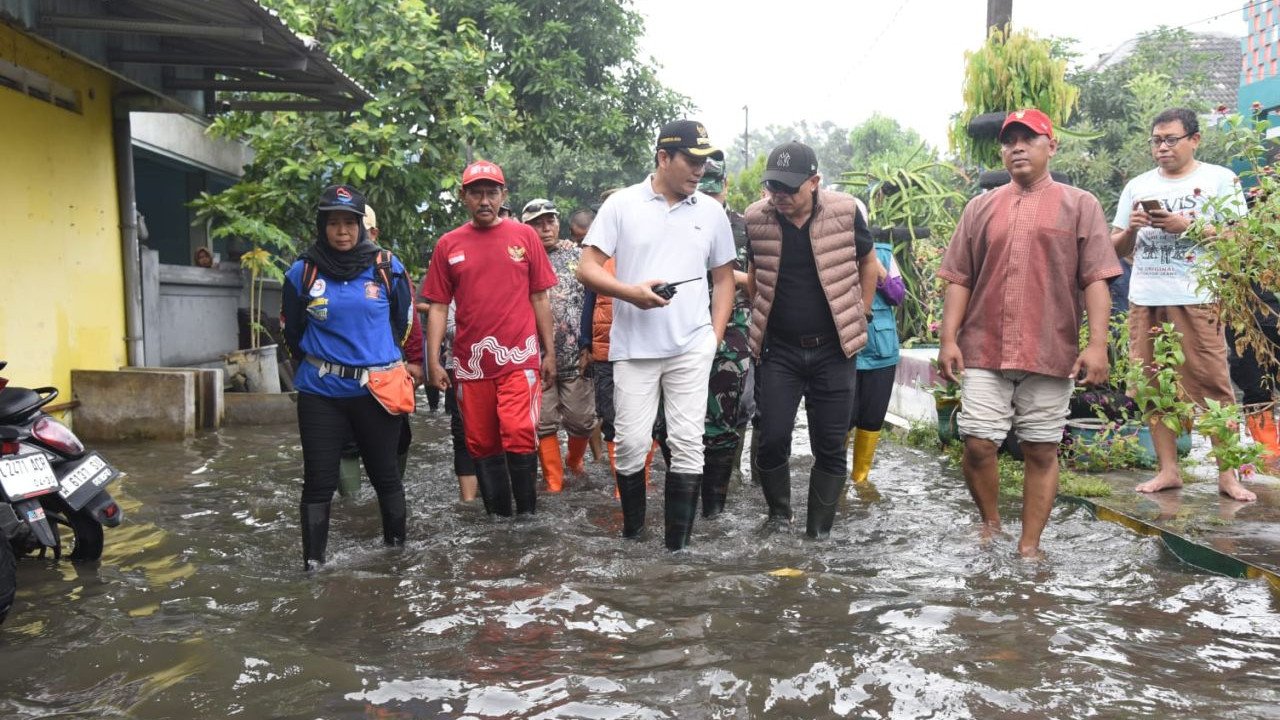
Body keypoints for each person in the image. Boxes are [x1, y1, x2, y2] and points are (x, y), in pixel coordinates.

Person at [938, 109, 1121, 558]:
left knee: (1041, 450)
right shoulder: (980, 208)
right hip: (984, 347)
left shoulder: (1080, 205)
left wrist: (1097, 346)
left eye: (1028, 138)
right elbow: (959, 277)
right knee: (979, 442)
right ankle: (991, 522)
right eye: (1009, 141)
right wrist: (948, 339)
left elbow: (1096, 278)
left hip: (1049, 346)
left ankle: (1029, 545)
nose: (1016, 147)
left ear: (1051, 146)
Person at [577, 120, 736, 550]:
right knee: (630, 444)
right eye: (691, 160)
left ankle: (676, 552)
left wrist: (713, 337)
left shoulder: (711, 212)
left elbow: (723, 279)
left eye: (704, 161)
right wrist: (631, 293)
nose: (700, 170)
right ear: (663, 158)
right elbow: (586, 267)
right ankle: (633, 537)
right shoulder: (623, 205)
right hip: (634, 349)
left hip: (691, 347)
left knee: (687, 443)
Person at [1111, 107, 1256, 502]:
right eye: (1156, 140)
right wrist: (1131, 230)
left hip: (1198, 297)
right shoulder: (1138, 186)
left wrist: (1187, 226)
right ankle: (1168, 470)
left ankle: (1227, 477)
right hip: (1146, 299)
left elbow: (1240, 240)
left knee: (1212, 385)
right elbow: (1116, 250)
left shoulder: (1219, 179)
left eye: (1171, 139)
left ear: (1194, 139)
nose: (1162, 147)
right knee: (1152, 386)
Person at [745, 141, 878, 539]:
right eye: (773, 188)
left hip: (834, 350)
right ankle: (778, 516)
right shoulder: (756, 218)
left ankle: (818, 532)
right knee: (771, 438)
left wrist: (863, 312)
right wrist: (762, 314)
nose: (780, 197)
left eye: (790, 188)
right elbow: (754, 273)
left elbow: (868, 262)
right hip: (780, 349)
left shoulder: (845, 211)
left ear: (815, 182)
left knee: (830, 443)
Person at [280, 184, 415, 570]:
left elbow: (402, 324)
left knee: (385, 476)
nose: (342, 231)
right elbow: (292, 331)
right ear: (322, 226)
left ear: (361, 226)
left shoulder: (388, 267)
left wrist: (376, 360)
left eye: (349, 223)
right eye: (334, 223)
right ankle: (313, 565)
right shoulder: (302, 272)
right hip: (320, 392)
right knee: (319, 481)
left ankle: (395, 557)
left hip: (376, 390)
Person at [420, 161, 557, 517]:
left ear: (503, 195)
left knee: (518, 430)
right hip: (469, 363)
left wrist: (549, 352)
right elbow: (437, 306)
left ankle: (527, 518)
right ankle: (499, 521)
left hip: (520, 358)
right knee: (481, 443)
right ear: (464, 197)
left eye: (492, 192)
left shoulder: (524, 237)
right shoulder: (448, 244)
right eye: (476, 192)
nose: (485, 200)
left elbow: (540, 297)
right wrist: (434, 361)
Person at [523, 198, 595, 491]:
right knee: (544, 422)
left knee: (582, 420)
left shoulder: (577, 255)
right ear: (526, 228)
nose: (545, 228)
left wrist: (589, 344)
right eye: (537, 224)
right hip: (537, 355)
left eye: (550, 221)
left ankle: (574, 462)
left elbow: (593, 298)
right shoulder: (521, 259)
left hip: (575, 354)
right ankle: (553, 482)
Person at [694, 158, 751, 518]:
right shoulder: (686, 219)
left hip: (732, 330)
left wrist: (725, 275)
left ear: (725, 187)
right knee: (678, 419)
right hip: (685, 326)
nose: (711, 196)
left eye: (716, 189)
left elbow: (756, 277)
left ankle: (715, 504)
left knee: (728, 415)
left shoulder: (744, 227)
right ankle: (689, 492)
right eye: (705, 190)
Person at [848, 238, 906, 486]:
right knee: (841, 418)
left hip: (880, 352)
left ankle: (861, 479)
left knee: (872, 419)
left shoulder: (884, 253)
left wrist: (876, 266)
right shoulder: (830, 250)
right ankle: (834, 479)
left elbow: (897, 295)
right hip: (845, 351)